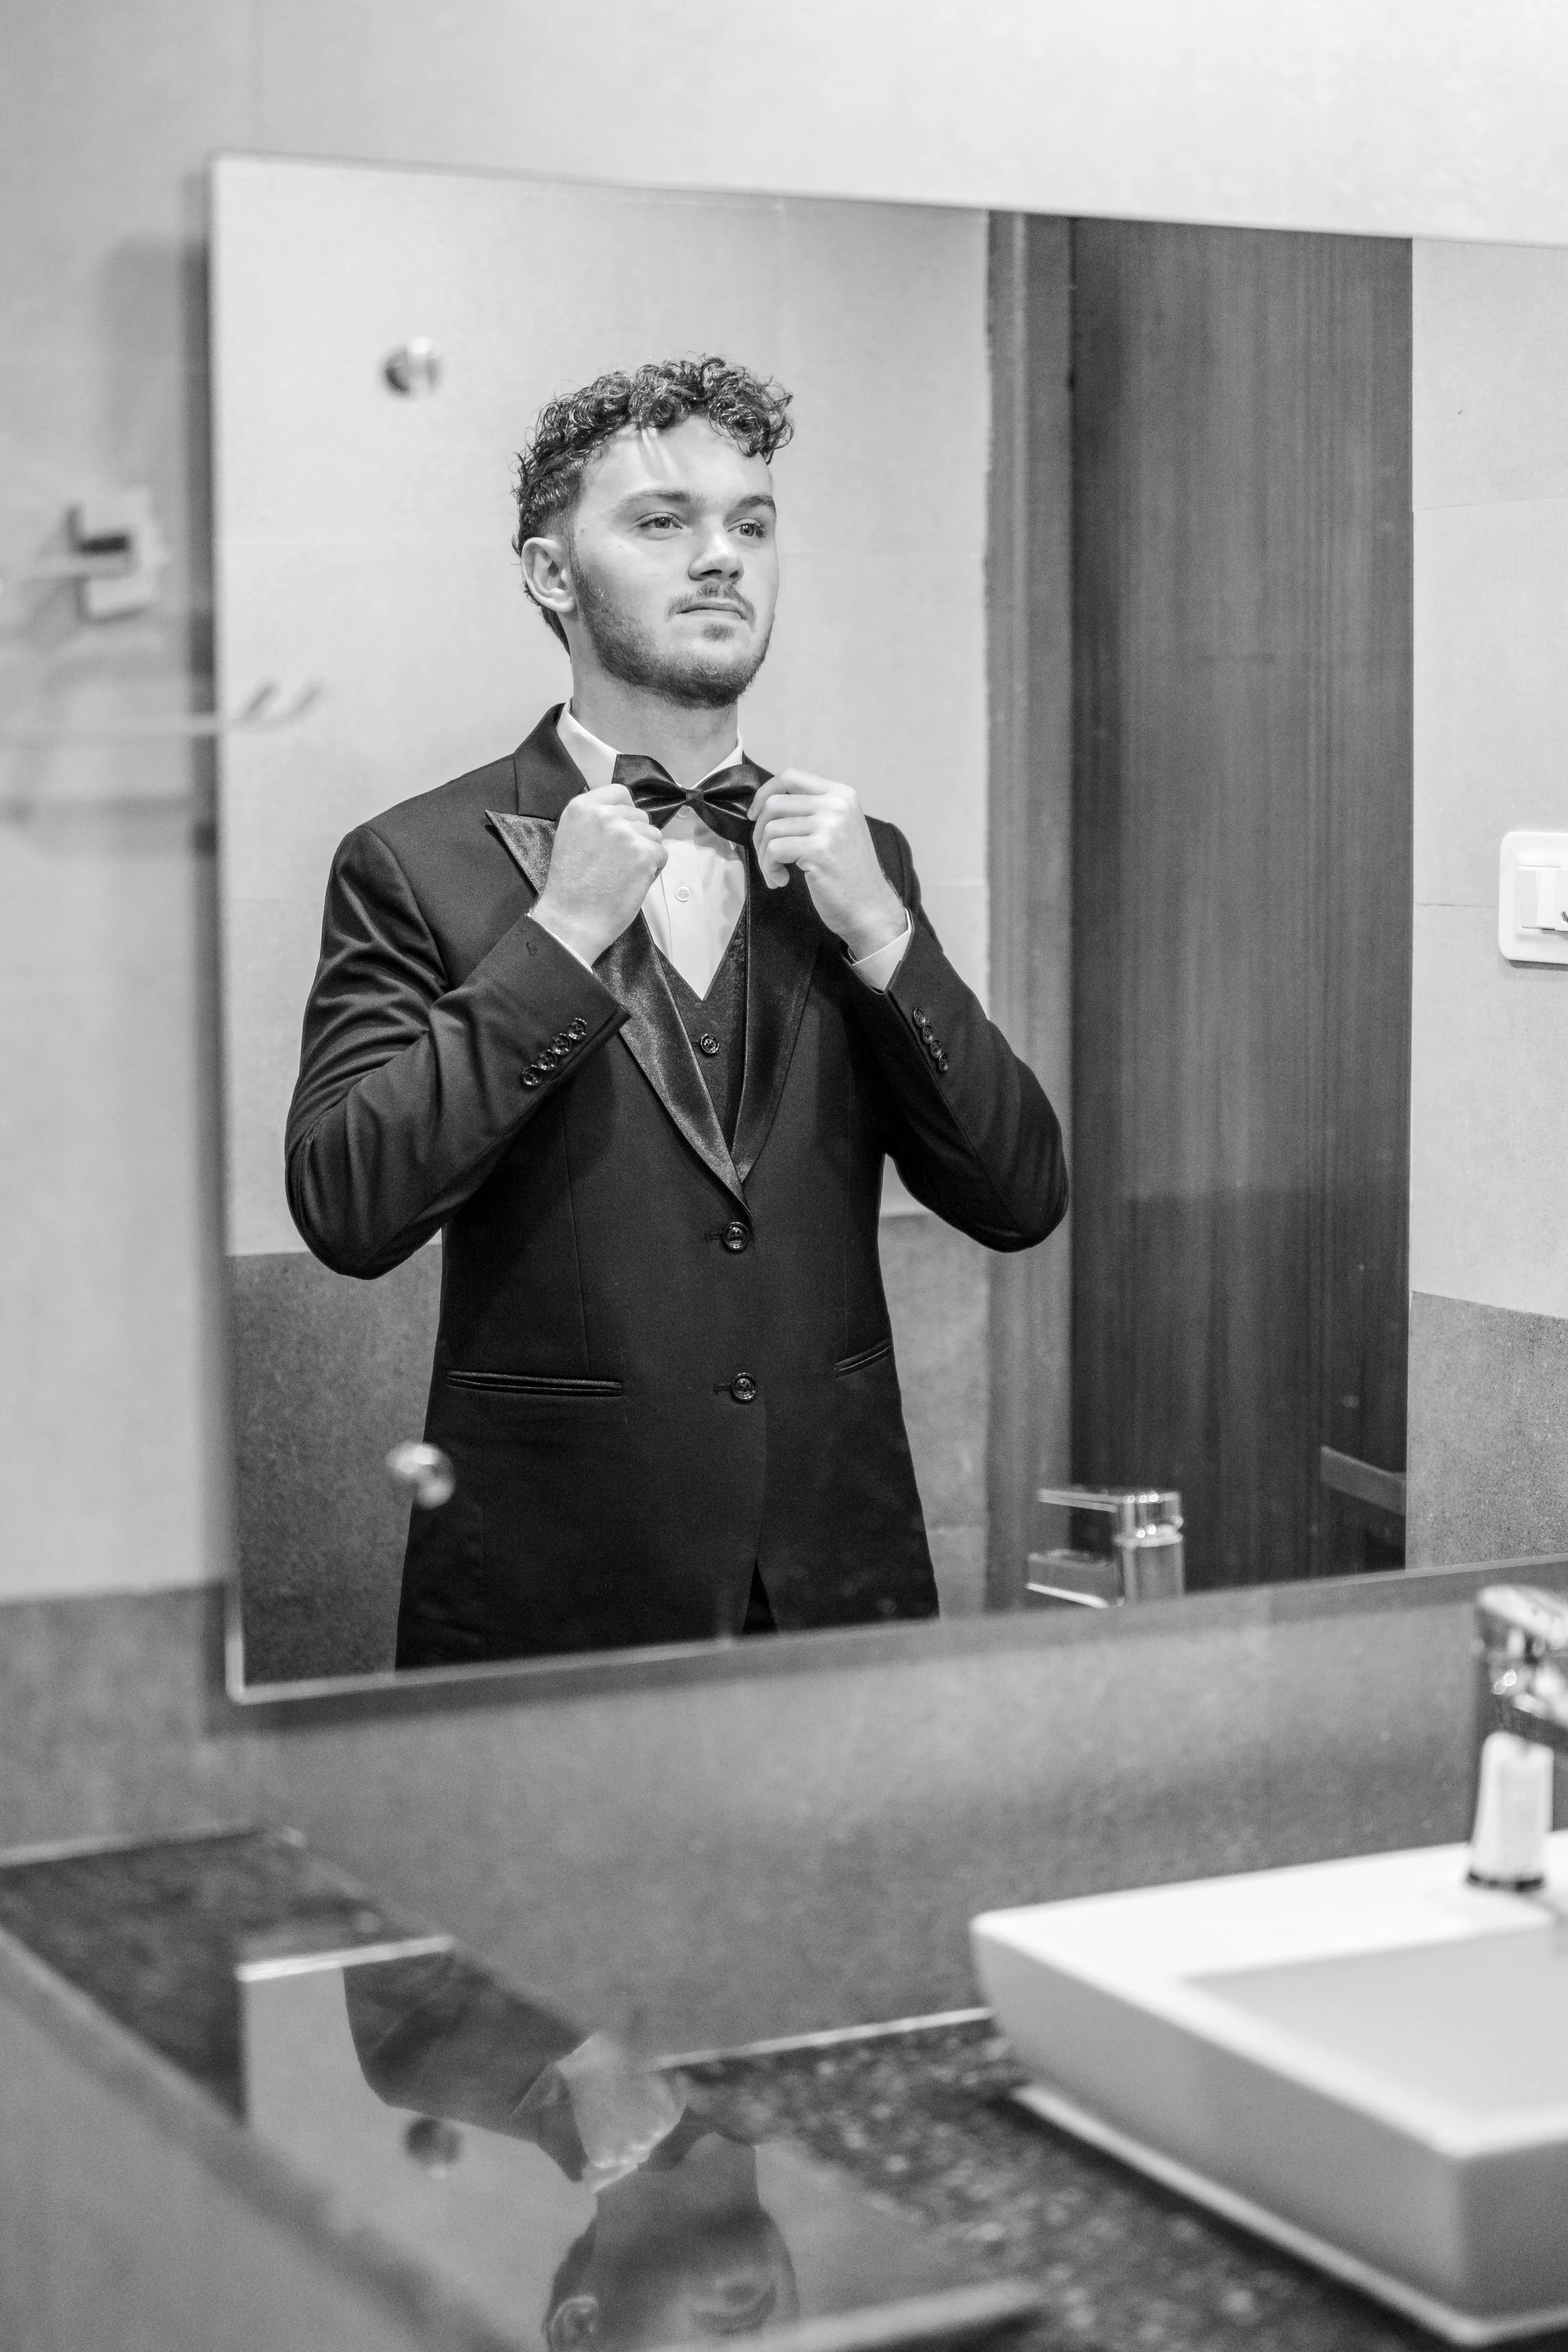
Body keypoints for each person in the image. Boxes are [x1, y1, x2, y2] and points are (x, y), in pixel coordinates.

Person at [286, 355, 1067, 1665]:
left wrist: (882, 932)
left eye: (750, 525)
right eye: (662, 522)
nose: (720, 557)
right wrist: (560, 937)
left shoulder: (858, 862)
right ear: (550, 574)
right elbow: (348, 1206)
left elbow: (1019, 1194)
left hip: (834, 1585)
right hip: (551, 1597)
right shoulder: (412, 861)